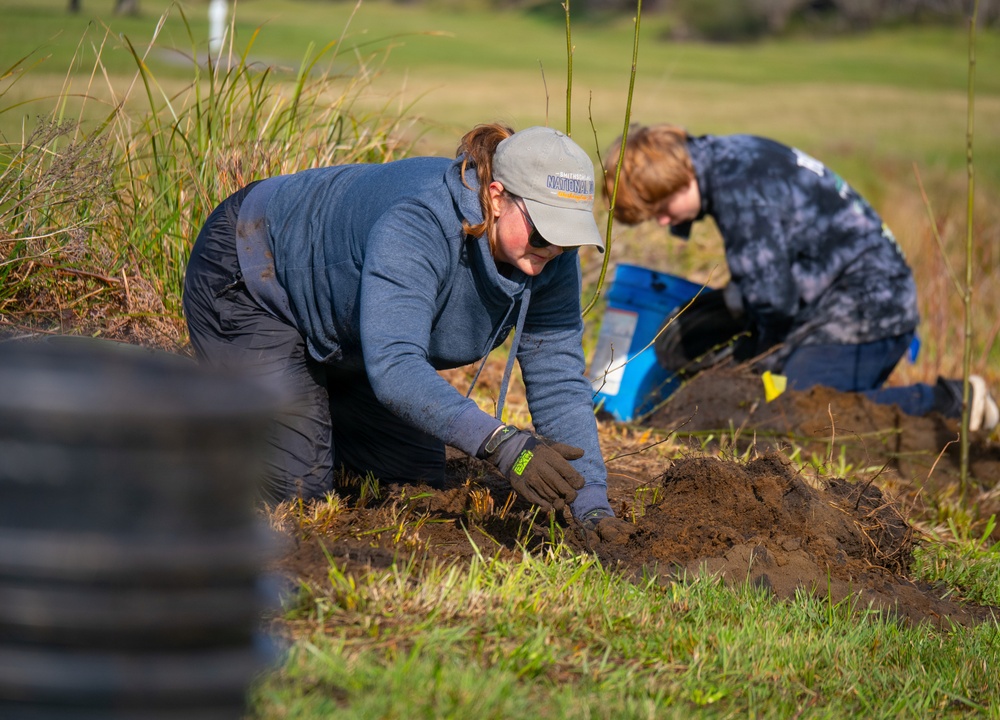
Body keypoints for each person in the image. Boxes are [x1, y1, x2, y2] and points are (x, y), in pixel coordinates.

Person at [183, 123, 633, 537]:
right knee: (298, 497)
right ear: (496, 197)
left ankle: (305, 403)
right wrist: (503, 445)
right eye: (542, 234)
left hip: (351, 327)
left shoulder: (548, 258)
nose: (553, 249)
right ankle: (202, 429)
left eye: (567, 237)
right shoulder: (420, 221)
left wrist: (591, 504)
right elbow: (396, 367)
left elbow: (558, 379)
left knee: (414, 485)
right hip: (257, 276)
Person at [602, 123, 999, 432]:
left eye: (663, 209)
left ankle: (950, 402)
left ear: (680, 175)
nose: (665, 221)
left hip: (869, 311)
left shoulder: (739, 189)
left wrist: (759, 362)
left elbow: (772, 298)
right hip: (837, 296)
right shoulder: (728, 155)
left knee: (797, 414)